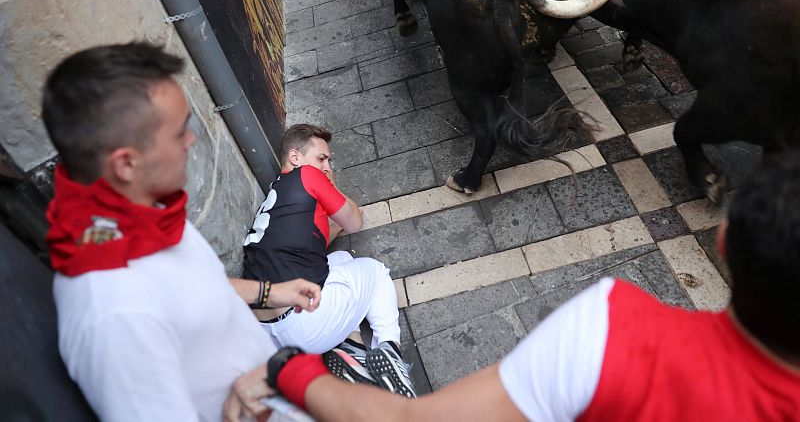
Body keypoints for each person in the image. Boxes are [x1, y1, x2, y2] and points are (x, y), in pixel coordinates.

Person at [226, 152, 800, 421]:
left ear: (723, 241)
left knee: (366, 269)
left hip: (282, 321)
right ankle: (385, 343)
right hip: (299, 301)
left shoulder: (615, 330)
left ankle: (387, 350)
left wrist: (288, 371)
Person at [42, 42, 323, 420]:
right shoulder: (113, 315)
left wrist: (271, 292)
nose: (191, 141)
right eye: (179, 132)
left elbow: (190, 290)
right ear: (126, 163)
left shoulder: (141, 214)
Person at [241, 123, 415, 397]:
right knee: (376, 272)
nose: (327, 166)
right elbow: (354, 221)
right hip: (304, 321)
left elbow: (317, 243)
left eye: (329, 162)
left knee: (342, 258)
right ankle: (390, 351)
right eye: (321, 158)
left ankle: (353, 352)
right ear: (295, 157)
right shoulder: (308, 176)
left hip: (268, 332)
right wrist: (331, 187)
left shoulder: (278, 195)